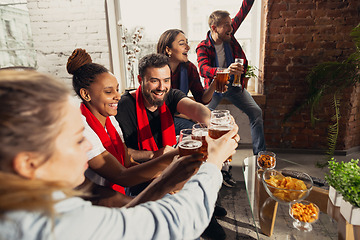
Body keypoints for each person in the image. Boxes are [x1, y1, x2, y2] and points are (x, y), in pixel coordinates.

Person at [0, 68, 240, 239]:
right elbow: (172, 223)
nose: (86, 148)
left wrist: (168, 173)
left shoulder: (31, 206)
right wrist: (213, 162)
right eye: (76, 140)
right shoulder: (53, 225)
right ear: (29, 164)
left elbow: (121, 221)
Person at [67, 48, 180, 206]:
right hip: (87, 206)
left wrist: (162, 179)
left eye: (117, 89)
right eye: (108, 91)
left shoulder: (110, 118)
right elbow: (121, 176)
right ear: (86, 95)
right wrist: (171, 158)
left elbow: (128, 162)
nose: (118, 96)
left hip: (109, 195)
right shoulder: (81, 129)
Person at [156, 29, 231, 240]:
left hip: (183, 117)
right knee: (196, 145)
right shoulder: (156, 70)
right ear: (168, 49)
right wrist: (189, 116)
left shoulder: (189, 68)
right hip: (163, 122)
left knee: (207, 144)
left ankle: (208, 201)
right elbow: (160, 106)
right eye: (182, 43)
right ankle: (205, 217)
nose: (188, 46)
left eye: (187, 42)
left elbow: (202, 99)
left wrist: (215, 83)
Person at [196, 0, 266, 157]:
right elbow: (203, 69)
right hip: (214, 88)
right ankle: (204, 157)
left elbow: (244, 9)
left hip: (234, 87)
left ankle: (260, 157)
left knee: (256, 112)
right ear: (214, 28)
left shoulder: (229, 34)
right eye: (226, 25)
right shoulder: (203, 47)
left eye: (230, 24)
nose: (231, 27)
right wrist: (224, 71)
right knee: (201, 120)